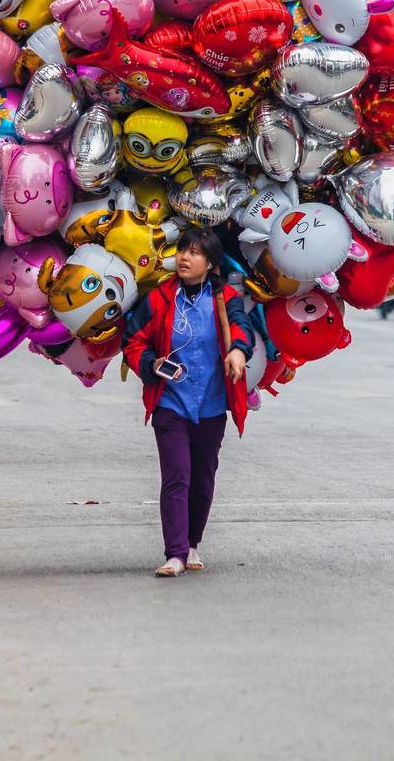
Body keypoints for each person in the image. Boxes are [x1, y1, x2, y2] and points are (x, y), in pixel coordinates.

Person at [122, 227, 254, 578]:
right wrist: (151, 365)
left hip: (211, 405)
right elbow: (133, 340)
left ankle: (193, 542)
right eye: (182, 250)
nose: (185, 257)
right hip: (171, 404)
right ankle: (176, 554)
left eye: (195, 253)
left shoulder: (225, 297)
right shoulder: (160, 299)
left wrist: (238, 353)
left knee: (203, 478)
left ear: (210, 264)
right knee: (177, 477)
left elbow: (241, 328)